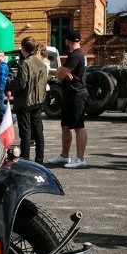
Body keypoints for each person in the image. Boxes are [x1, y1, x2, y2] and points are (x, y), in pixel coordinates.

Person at [47, 30, 89, 168]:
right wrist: (62, 70)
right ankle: (64, 156)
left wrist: (62, 71)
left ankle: (80, 159)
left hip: (76, 95)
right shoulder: (77, 54)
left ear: (67, 41)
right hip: (69, 95)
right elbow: (61, 73)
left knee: (78, 126)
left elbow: (59, 75)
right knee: (65, 126)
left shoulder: (75, 55)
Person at [12, 37, 48, 163]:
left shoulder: (25, 63)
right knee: (38, 131)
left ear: (23, 49)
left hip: (25, 102)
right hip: (38, 101)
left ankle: (25, 159)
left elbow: (21, 84)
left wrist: (12, 84)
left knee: (25, 133)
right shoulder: (41, 63)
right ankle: (40, 159)